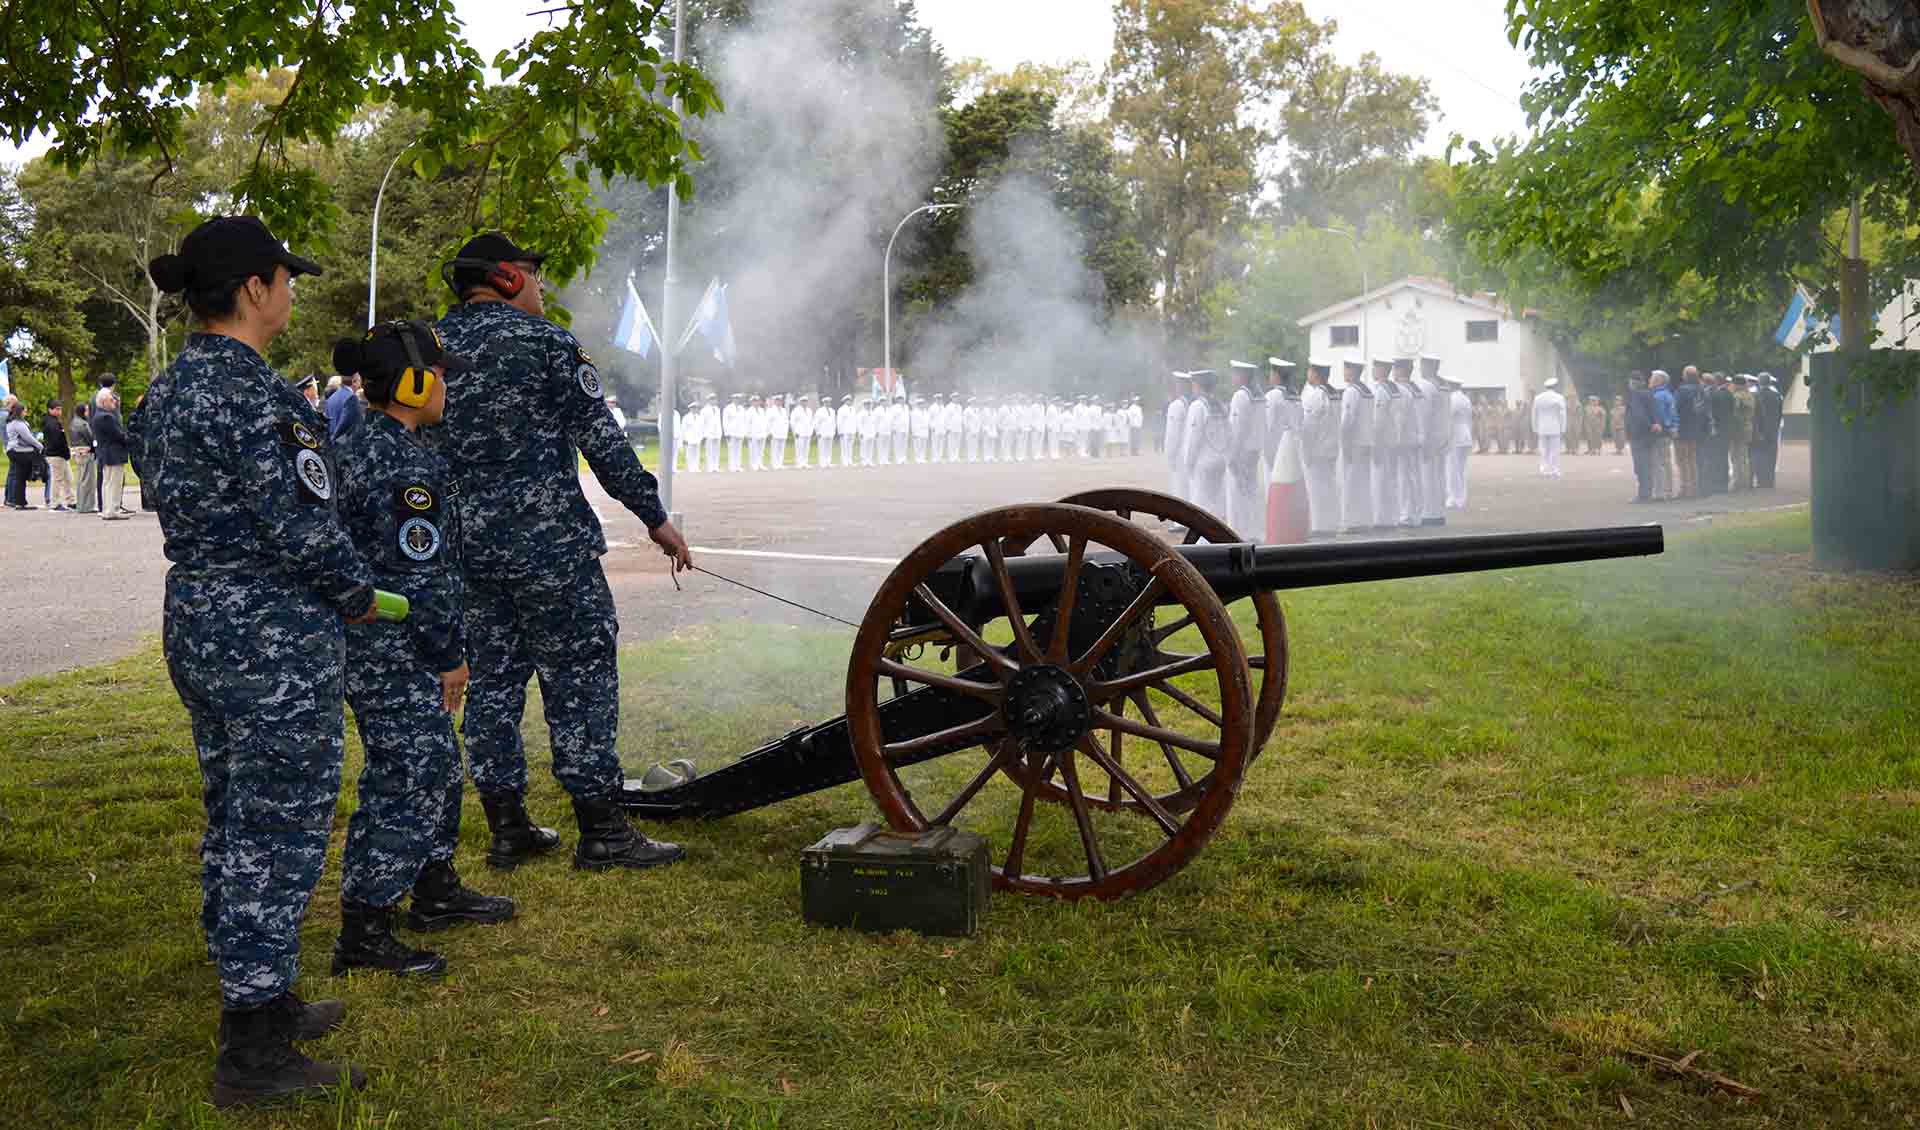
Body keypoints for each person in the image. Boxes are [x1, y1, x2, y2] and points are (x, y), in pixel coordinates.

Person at [132, 215, 369, 1107]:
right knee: (279, 826)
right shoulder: (257, 397)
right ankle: (253, 1049)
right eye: (286, 276)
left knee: (235, 810)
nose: (295, 289)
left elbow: (170, 497)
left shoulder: (167, 391)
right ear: (254, 290)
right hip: (269, 629)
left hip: (198, 614)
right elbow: (302, 528)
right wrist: (359, 593)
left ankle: (257, 995)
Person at [432, 231, 692, 876]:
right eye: (534, 273)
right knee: (579, 680)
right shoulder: (548, 344)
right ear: (508, 278)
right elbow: (602, 441)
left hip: (468, 552)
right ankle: (602, 831)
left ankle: (508, 827)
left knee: (491, 687)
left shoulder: (429, 350)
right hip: (549, 549)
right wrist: (653, 516)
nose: (542, 286)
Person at [327, 321, 514, 980]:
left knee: (430, 755)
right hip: (392, 644)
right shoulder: (406, 465)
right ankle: (365, 925)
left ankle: (433, 887)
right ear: (409, 382)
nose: (446, 386)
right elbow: (421, 576)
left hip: (370, 637)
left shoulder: (356, 444)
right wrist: (448, 656)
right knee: (412, 768)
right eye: (439, 373)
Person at [1298, 360, 1342, 538]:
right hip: (1331, 448)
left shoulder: (1316, 395)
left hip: (1317, 450)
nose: (1308, 374)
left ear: (1315, 374)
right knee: (1328, 488)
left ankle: (1319, 526)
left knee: (1315, 489)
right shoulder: (1334, 393)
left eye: (1309, 371)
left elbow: (1309, 427)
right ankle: (1330, 524)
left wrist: (1306, 451)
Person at [1182, 370, 1230, 522]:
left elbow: (1193, 439)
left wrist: (1188, 463)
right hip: (1220, 459)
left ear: (1198, 385)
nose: (1192, 387)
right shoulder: (1221, 405)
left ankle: (1204, 541)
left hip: (1203, 462)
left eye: (1193, 383)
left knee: (1201, 504)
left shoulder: (1197, 406)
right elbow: (1230, 434)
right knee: (1216, 503)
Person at [1225, 361, 1266, 535]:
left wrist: (1232, 456)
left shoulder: (1241, 396)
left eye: (1235, 373)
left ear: (1242, 375)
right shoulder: (1259, 395)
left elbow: (1237, 430)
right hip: (1254, 450)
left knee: (1237, 495)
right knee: (1251, 493)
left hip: (1241, 451)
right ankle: (1253, 531)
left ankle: (1239, 532)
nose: (1232, 377)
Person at [1336, 359, 1372, 534]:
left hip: (1353, 443)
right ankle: (1363, 520)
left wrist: (1343, 441)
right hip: (1366, 443)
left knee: (1349, 484)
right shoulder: (1367, 390)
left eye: (1346, 369)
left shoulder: (1351, 391)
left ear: (1352, 371)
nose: (1344, 372)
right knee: (1363, 483)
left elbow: (1347, 421)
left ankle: (1350, 522)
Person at [1415, 355, 1449, 527]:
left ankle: (1428, 514)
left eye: (1423, 364)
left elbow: (1423, 415)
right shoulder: (1444, 385)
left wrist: (1422, 438)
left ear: (1429, 366)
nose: (1420, 368)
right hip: (1442, 438)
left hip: (1429, 438)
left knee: (1426, 476)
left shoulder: (1426, 386)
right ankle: (1438, 512)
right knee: (1439, 477)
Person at [1390, 357, 1423, 526]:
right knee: (1414, 477)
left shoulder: (1400, 389)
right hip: (1416, 438)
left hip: (1404, 440)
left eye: (1395, 369)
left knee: (1403, 478)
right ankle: (1416, 513)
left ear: (1401, 370)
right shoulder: (1417, 388)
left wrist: (1395, 440)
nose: (1393, 372)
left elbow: (1400, 418)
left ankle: (1404, 514)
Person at [93, 388, 133, 519]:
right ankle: (112, 510)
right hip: (113, 453)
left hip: (106, 453)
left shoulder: (98, 415)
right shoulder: (107, 417)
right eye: (111, 400)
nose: (114, 402)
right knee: (114, 483)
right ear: (104, 402)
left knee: (107, 482)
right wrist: (132, 439)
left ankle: (107, 509)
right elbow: (118, 435)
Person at [1673, 366, 1706, 499]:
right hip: (1696, 428)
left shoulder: (1682, 390)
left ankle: (1685, 488)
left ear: (1685, 376)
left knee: (1682, 460)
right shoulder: (1701, 390)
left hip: (1683, 429)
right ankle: (1694, 487)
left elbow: (1675, 408)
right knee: (1692, 460)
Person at [5, 401, 42, 509]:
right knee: (21, 476)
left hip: (13, 450)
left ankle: (19, 501)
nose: (26, 412)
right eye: (24, 410)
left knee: (18, 476)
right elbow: (29, 438)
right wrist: (40, 446)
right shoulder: (19, 424)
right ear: (19, 411)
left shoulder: (11, 422)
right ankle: (20, 502)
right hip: (19, 451)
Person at [1445, 375, 1474, 509]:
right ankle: (1461, 497)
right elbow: (1469, 419)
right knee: (1461, 469)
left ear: (1451, 385)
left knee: (1452, 469)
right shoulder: (1465, 399)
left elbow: (1448, 420)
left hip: (1455, 437)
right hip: (1465, 436)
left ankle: (1454, 498)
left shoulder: (1452, 399)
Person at [1625, 373, 1654, 502]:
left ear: (1634, 382)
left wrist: (1648, 425)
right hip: (1648, 435)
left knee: (1640, 466)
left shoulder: (1636, 395)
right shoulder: (1649, 393)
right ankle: (1647, 491)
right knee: (1647, 464)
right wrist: (1653, 425)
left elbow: (1639, 414)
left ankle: (1643, 494)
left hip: (1638, 435)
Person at [1649, 370, 1678, 501]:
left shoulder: (1657, 396)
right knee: (1666, 462)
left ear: (1659, 380)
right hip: (1668, 431)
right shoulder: (1668, 394)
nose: (1650, 379)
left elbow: (1658, 415)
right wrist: (1673, 426)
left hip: (1660, 432)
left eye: (1652, 377)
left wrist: (1660, 426)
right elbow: (1673, 414)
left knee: (1658, 462)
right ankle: (1668, 490)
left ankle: (1660, 492)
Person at [1705, 371, 1735, 495]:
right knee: (1723, 456)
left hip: (1717, 430)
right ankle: (1724, 483)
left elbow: (1713, 413)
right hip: (1727, 429)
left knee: (1717, 457)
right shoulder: (1729, 394)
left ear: (1716, 381)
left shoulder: (1715, 395)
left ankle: (1717, 484)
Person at [1752, 374, 1784, 489]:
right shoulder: (1777, 395)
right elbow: (1780, 413)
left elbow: (1755, 415)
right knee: (1771, 455)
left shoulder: (1755, 395)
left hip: (1760, 430)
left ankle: (1761, 481)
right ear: (1769, 382)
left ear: (1759, 382)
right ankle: (1770, 481)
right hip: (1773, 429)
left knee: (1759, 456)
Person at [1533, 378, 1568, 477]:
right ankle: (1554, 469)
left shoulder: (1538, 398)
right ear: (1555, 386)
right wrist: (1563, 427)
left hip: (1542, 427)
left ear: (1545, 387)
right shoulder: (1559, 397)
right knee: (1555, 450)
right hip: (1555, 427)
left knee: (1543, 449)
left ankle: (1543, 469)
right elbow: (1562, 414)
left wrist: (1535, 427)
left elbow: (1534, 414)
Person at [40, 403, 73, 511]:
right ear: (50, 410)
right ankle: (55, 503)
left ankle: (70, 500)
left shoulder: (54, 421)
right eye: (57, 409)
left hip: (60, 454)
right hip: (56, 454)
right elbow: (57, 441)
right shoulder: (51, 423)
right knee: (57, 479)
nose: (59, 411)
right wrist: (65, 452)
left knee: (68, 478)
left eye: (60, 409)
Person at [1164, 373, 1191, 501]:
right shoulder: (1193, 403)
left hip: (1179, 454)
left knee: (1179, 492)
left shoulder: (1176, 406)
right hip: (1191, 453)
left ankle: (1179, 522)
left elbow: (1172, 435)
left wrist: (1170, 456)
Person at [1728, 375, 1757, 491]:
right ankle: (1746, 481)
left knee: (1735, 457)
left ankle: (1737, 482)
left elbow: (1734, 414)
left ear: (1737, 384)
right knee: (1744, 456)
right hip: (1748, 427)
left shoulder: (1736, 396)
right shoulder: (1750, 395)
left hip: (1737, 429)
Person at [69, 402, 98, 514]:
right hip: (85, 451)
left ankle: (82, 504)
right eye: (86, 410)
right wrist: (94, 447)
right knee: (87, 479)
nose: (88, 412)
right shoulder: (83, 424)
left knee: (81, 478)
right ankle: (86, 506)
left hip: (77, 452)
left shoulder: (73, 422)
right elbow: (90, 438)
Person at [325, 374, 365, 444]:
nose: (360, 384)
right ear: (354, 381)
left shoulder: (331, 398)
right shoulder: (352, 398)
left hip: (333, 446)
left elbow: (327, 424)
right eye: (359, 380)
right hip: (346, 447)